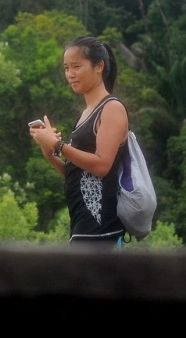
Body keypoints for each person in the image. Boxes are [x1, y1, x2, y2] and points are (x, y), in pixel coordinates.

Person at [30, 34, 129, 247]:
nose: (70, 74)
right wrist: (48, 151)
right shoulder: (86, 114)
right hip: (82, 229)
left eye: (76, 67)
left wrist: (58, 145)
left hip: (102, 232)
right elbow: (74, 174)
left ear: (99, 66)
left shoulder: (112, 108)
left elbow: (102, 166)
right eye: (66, 68)